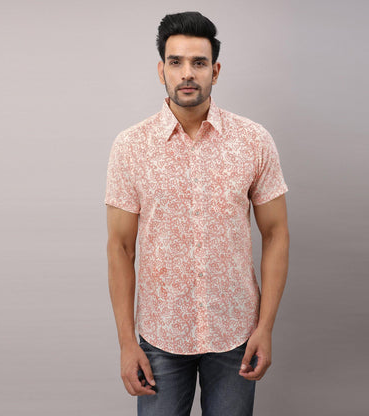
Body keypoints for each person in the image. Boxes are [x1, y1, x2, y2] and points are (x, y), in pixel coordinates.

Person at [104, 11, 290, 416]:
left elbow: (276, 234)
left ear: (215, 71)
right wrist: (126, 343)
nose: (187, 73)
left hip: (237, 336)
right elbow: (120, 247)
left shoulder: (253, 141)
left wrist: (265, 328)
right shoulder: (130, 147)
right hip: (160, 338)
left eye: (199, 62)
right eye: (176, 62)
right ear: (162, 70)